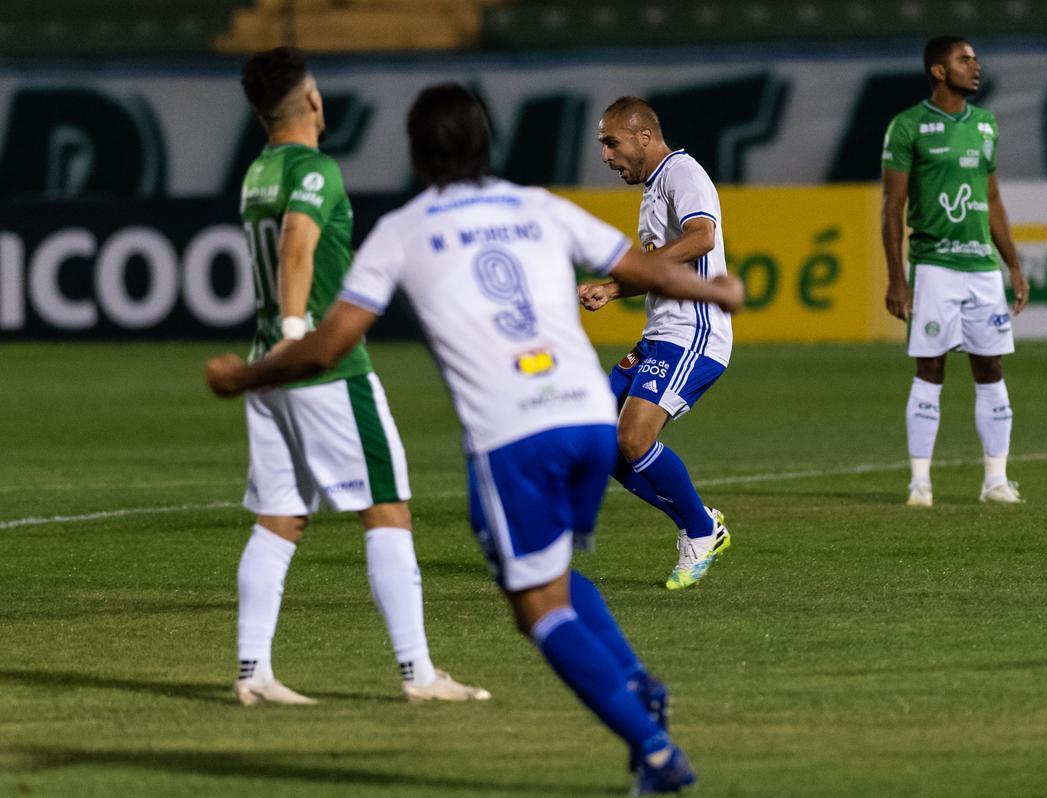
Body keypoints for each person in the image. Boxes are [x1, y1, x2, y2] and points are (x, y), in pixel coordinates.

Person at [207, 83, 743, 796]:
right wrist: (717, 294)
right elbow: (637, 266)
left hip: (514, 430)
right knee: (552, 574)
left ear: (416, 154)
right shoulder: (537, 206)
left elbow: (324, 347)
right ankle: (639, 684)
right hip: (585, 412)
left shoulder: (405, 229)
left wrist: (244, 377)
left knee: (536, 607)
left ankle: (652, 746)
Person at [230, 48, 488, 705]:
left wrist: (277, 346)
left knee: (281, 516)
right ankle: (419, 675)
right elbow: (296, 244)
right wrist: (297, 336)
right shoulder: (315, 170)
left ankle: (253, 672)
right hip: (320, 364)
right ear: (310, 101)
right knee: (386, 506)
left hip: (265, 367)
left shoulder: (258, 171)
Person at [581, 97, 733, 591]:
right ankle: (702, 523)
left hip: (694, 332)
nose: (605, 155)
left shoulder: (681, 172)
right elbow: (664, 269)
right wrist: (613, 287)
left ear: (643, 136)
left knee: (633, 438)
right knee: (600, 444)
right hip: (657, 336)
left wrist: (627, 273)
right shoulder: (652, 190)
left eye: (611, 142)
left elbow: (702, 237)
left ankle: (699, 530)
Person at [881, 35, 1030, 507]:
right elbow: (892, 207)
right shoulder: (907, 127)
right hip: (934, 267)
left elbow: (992, 200)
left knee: (991, 366)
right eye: (964, 59)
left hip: (982, 269)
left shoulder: (985, 126)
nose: (976, 66)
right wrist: (897, 277)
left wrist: (1014, 266)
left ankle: (996, 482)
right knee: (931, 366)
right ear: (939, 72)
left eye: (976, 58)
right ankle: (920, 484)